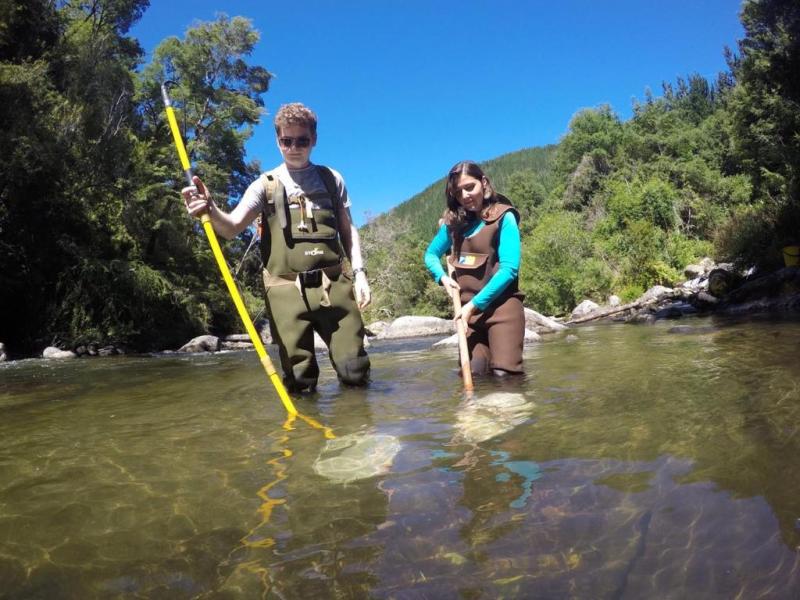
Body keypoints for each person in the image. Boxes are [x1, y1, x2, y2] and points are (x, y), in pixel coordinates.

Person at [182, 102, 371, 392]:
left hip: (335, 285)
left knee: (354, 369)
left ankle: (358, 431)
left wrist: (359, 274)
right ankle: (306, 436)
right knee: (299, 379)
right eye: (287, 141)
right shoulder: (264, 185)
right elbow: (231, 228)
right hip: (285, 291)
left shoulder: (332, 180)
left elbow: (348, 230)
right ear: (277, 140)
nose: (294, 147)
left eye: (302, 141)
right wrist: (209, 208)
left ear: (314, 140)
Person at [424, 160, 525, 376]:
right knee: (474, 375)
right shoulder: (453, 225)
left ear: (484, 183)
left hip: (502, 309)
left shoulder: (504, 217)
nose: (466, 196)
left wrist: (473, 306)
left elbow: (509, 270)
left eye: (470, 187)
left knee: (504, 376)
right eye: (458, 193)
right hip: (469, 316)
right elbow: (431, 255)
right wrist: (442, 278)